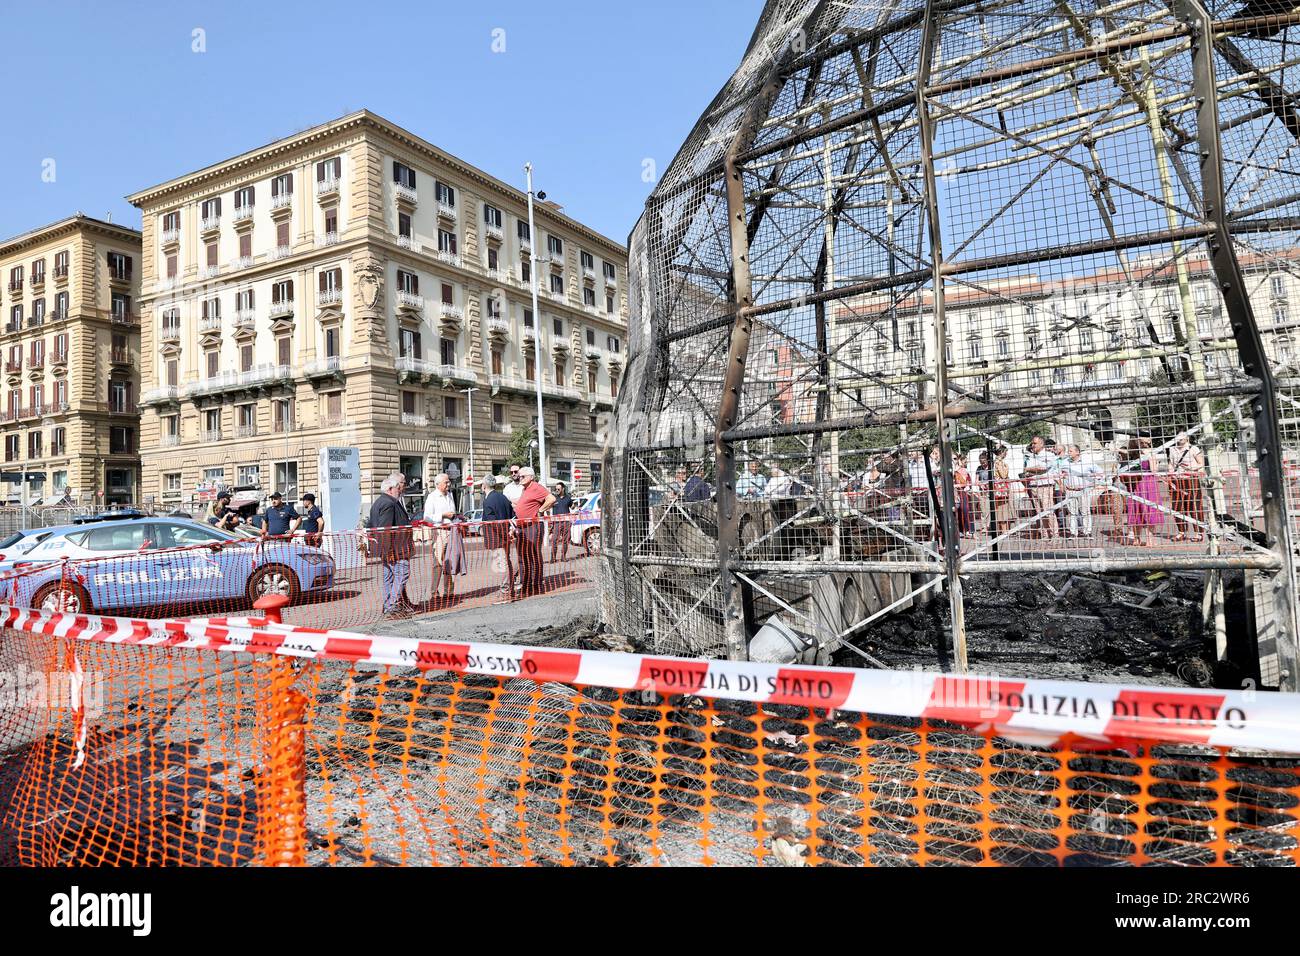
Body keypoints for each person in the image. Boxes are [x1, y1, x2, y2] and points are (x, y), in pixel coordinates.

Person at [369, 472, 415, 617]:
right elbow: (385, 529)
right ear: (390, 489)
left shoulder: (379, 502)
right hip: (394, 549)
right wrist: (388, 551)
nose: (400, 489)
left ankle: (388, 605)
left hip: (389, 548)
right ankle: (392, 605)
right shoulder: (388, 503)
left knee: (389, 577)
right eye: (397, 487)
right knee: (402, 573)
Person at [513, 467, 555, 596]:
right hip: (522, 527)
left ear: (531, 477)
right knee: (522, 556)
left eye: (522, 476)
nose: (519, 478)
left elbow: (551, 499)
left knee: (533, 555)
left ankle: (536, 584)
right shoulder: (525, 489)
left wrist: (540, 511)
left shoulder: (536, 487)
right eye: (519, 476)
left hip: (532, 526)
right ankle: (525, 583)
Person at [422, 473, 458, 605]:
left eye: (449, 482)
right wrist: (443, 515)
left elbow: (452, 512)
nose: (448, 484)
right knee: (437, 564)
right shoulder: (432, 497)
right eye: (446, 482)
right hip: (439, 532)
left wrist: (456, 517)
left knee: (450, 562)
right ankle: (434, 593)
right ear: (438, 484)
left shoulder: (450, 495)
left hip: (451, 531)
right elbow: (427, 517)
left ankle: (449, 591)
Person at [1120, 437, 1162, 546]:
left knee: (1136, 510)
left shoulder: (1130, 453)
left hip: (1133, 484)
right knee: (1149, 510)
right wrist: (1156, 462)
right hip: (1148, 483)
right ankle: (1149, 540)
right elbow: (1153, 470)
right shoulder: (1150, 453)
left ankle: (1136, 539)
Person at [480, 474, 517, 601]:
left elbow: (492, 522)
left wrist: (503, 532)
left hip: (496, 537)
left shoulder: (488, 501)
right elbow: (513, 516)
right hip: (505, 536)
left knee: (502, 564)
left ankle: (505, 592)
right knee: (507, 562)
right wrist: (509, 531)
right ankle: (509, 590)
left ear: (484, 486)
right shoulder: (503, 497)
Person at [1168, 432, 1206, 542]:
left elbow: (1201, 464)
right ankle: (1181, 532)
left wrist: (1191, 468)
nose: (1180, 438)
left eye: (1182, 436)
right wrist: (1170, 471)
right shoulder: (1172, 449)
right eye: (1178, 436)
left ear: (1187, 437)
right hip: (1177, 480)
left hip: (1191, 480)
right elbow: (1171, 463)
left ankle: (1198, 533)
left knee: (1194, 506)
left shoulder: (1193, 449)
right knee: (1177, 507)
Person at [1061, 445, 1104, 538]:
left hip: (1083, 490)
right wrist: (1062, 483)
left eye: (1071, 451)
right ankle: (1073, 533)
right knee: (1072, 513)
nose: (1069, 453)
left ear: (1077, 452)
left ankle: (1087, 532)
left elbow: (1100, 472)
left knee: (1085, 512)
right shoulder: (1064, 463)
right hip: (1070, 490)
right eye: (1068, 451)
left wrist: (1093, 483)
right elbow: (1057, 473)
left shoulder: (1087, 462)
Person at [1022, 435, 1060, 539]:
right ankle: (1045, 534)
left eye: (1035, 443)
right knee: (1039, 512)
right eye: (1032, 443)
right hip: (1034, 485)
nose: (1032, 445)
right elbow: (1027, 473)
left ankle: (1054, 534)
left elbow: (1043, 468)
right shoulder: (1031, 456)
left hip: (1045, 486)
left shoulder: (1049, 455)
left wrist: (1029, 469)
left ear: (1042, 444)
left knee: (1048, 511)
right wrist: (1031, 470)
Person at [549, 481, 574, 562]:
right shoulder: (553, 498)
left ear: (563, 489)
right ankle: (553, 558)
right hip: (557, 522)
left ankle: (563, 556)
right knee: (554, 540)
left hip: (566, 522)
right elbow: (548, 507)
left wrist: (577, 507)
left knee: (566, 540)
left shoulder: (568, 498)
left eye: (558, 489)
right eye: (556, 489)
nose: (557, 490)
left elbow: (572, 506)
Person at [993, 445, 1014, 534]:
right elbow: (1003, 475)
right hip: (1001, 487)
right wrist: (1007, 467)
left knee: (1001, 508)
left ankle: (1003, 529)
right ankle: (1004, 530)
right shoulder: (999, 462)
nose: (1006, 454)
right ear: (1002, 452)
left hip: (999, 486)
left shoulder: (995, 461)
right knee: (1003, 508)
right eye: (1005, 452)